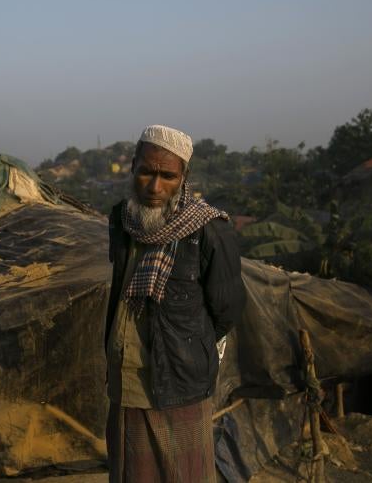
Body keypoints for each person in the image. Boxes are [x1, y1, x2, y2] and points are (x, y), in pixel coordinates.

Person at [104, 124, 245, 483]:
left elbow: (227, 310)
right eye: (146, 172)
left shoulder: (210, 229)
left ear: (184, 177)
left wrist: (188, 348)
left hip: (180, 378)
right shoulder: (121, 220)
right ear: (133, 166)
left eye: (167, 176)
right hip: (127, 375)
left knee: (185, 474)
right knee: (132, 472)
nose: (154, 187)